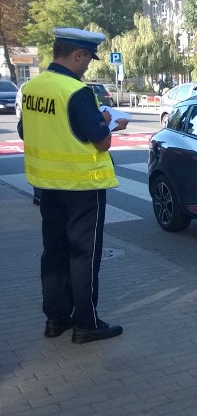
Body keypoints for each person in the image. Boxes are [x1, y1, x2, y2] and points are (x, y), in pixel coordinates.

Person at [17, 28, 128, 344]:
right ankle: (86, 324)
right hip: (82, 187)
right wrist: (110, 122)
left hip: (46, 186)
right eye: (88, 60)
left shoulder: (33, 87)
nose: (88, 67)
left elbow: (26, 132)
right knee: (84, 256)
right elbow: (102, 142)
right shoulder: (76, 92)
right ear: (77, 55)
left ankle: (55, 319)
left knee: (53, 252)